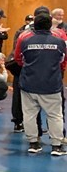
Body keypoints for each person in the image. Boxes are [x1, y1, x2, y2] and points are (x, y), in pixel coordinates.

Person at [16, 12, 66, 155]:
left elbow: (19, 59)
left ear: (34, 25)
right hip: (51, 84)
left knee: (29, 114)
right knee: (55, 115)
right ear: (50, 25)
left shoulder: (25, 40)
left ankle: (33, 143)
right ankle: (56, 146)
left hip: (29, 83)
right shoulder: (59, 42)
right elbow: (62, 61)